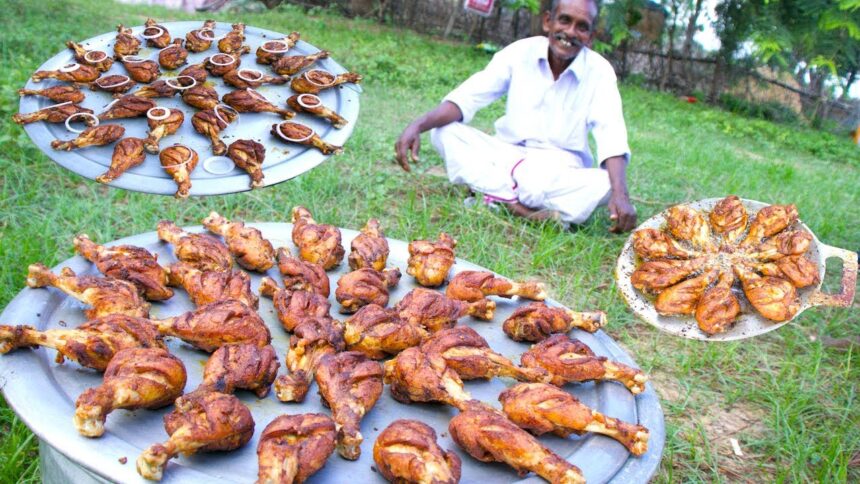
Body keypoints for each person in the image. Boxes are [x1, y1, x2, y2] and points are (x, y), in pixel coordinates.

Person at [394, 0, 637, 233]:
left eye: (581, 27)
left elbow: (611, 133)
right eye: (564, 20)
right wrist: (418, 125)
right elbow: (468, 97)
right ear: (548, 22)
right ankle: (522, 209)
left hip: (557, 170)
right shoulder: (520, 52)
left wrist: (621, 195)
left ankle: (492, 193)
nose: (570, 32)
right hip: (506, 156)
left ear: (591, 37)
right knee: (444, 132)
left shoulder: (600, 72)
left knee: (608, 183)